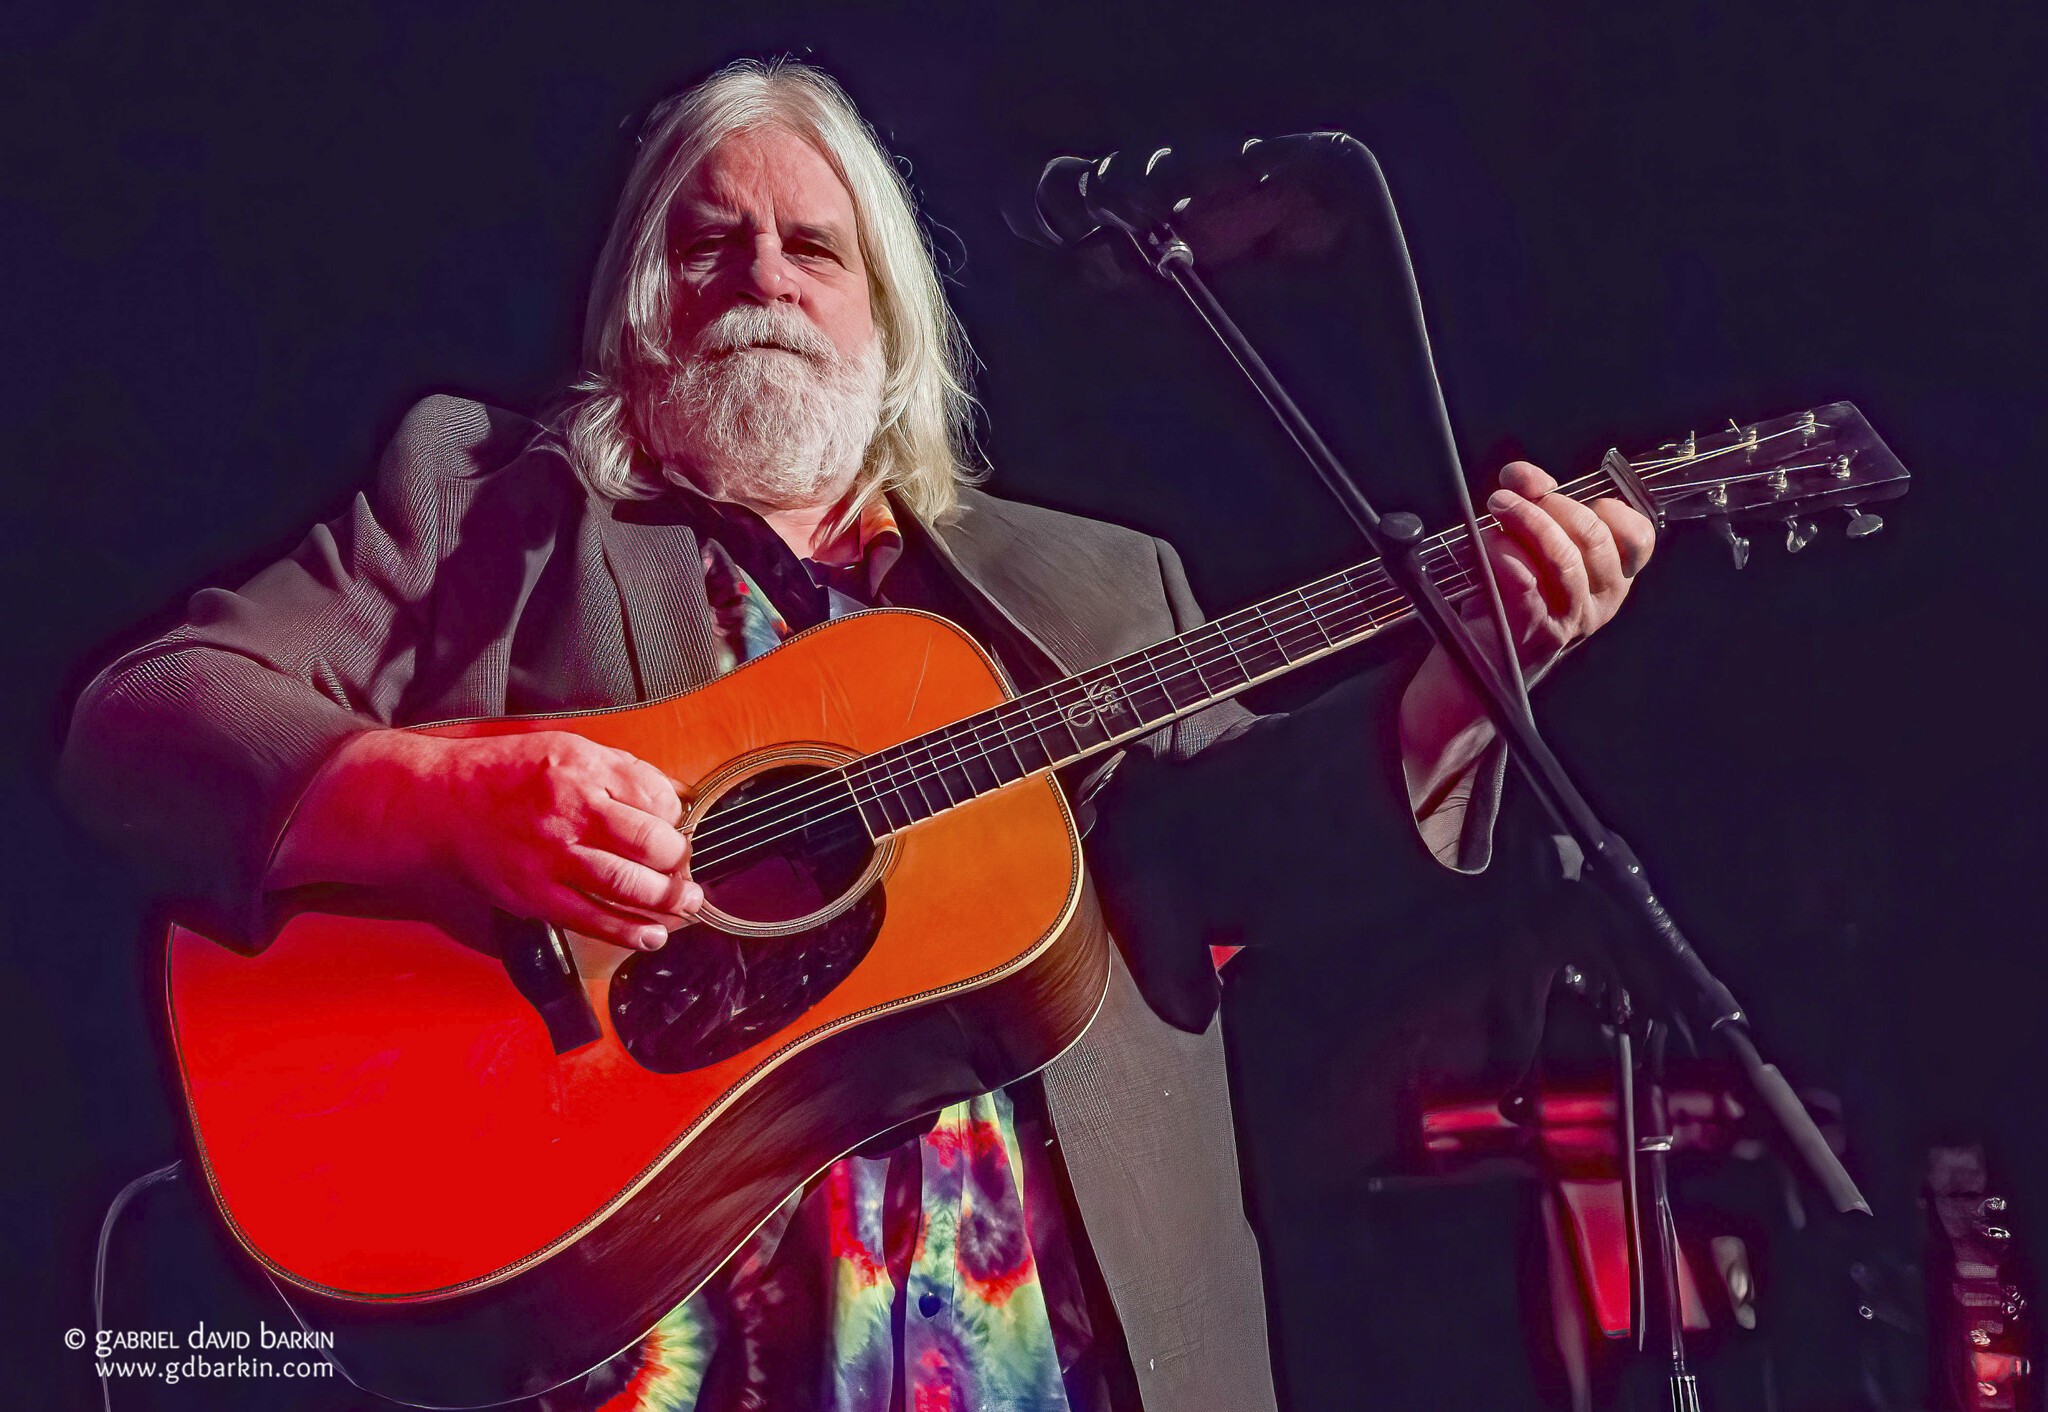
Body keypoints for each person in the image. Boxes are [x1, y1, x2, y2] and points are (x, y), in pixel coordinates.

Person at [60, 59, 1652, 1412]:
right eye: (709, 242)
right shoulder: (483, 505)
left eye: (814, 246)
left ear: (890, 324)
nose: (762, 274)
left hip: (1054, 1353)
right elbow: (154, 714)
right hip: (660, 1360)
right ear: (635, 309)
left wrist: (1469, 677)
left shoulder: (1101, 588)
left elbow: (1240, 855)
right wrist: (447, 798)